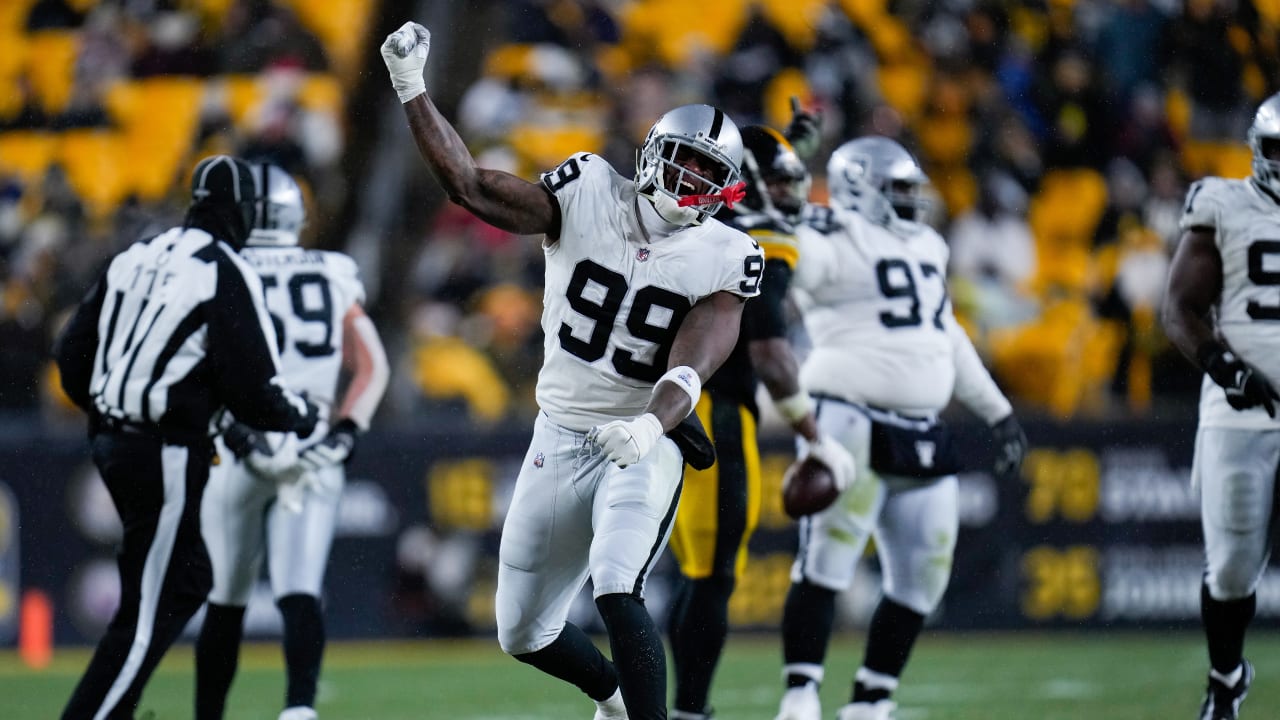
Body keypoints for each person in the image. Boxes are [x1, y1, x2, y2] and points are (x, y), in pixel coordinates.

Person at [381, 21, 765, 720]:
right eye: (684, 160)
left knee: (619, 586)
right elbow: (469, 187)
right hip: (559, 432)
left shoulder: (727, 254)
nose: (690, 181)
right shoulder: (588, 187)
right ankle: (615, 700)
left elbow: (694, 363)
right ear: (651, 153)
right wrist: (412, 88)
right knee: (523, 632)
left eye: (710, 174)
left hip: (644, 437)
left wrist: (650, 428)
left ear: (727, 191)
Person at [53, 154, 319, 720]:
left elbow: (70, 352)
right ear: (242, 212)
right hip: (161, 452)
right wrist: (300, 416)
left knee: (190, 577)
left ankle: (116, 703)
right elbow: (255, 389)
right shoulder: (224, 269)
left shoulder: (136, 255)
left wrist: (105, 412)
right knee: (145, 617)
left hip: (112, 438)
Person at [772, 136, 1027, 720]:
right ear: (860, 188)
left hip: (920, 426)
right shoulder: (832, 234)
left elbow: (947, 338)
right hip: (849, 415)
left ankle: (872, 696)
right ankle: (801, 693)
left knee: (924, 576)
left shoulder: (929, 246)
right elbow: (794, 263)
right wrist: (789, 220)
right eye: (899, 189)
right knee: (827, 561)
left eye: (913, 189)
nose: (912, 200)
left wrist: (998, 411)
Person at [666, 117, 853, 720]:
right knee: (713, 575)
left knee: (663, 575)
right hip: (712, 411)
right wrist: (815, 438)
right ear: (747, 181)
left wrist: (790, 146)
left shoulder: (692, 218)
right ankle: (688, 711)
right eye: (779, 179)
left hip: (654, 405)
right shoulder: (753, 241)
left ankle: (667, 706)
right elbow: (771, 354)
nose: (793, 194)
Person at [194, 164, 390, 720]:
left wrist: (232, 430)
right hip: (310, 447)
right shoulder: (330, 271)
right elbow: (372, 365)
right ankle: (298, 708)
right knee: (299, 588)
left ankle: (208, 714)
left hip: (239, 448)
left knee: (225, 596)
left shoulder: (219, 267)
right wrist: (345, 435)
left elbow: (200, 366)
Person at [1161, 91, 1280, 720]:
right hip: (1243, 411)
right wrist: (1227, 370)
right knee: (1232, 565)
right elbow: (1179, 308)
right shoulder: (1225, 203)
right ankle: (1226, 679)